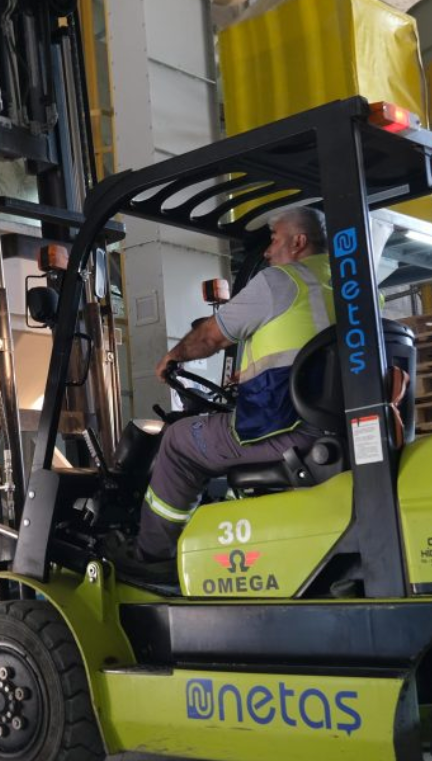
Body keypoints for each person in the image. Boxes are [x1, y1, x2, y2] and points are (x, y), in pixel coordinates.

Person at [136, 205, 335, 567]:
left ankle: (153, 558)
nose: (267, 252)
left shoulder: (281, 282)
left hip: (289, 430)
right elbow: (316, 357)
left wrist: (173, 356)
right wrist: (251, 376)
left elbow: (210, 337)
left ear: (298, 242)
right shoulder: (351, 287)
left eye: (274, 240)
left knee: (178, 440)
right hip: (340, 427)